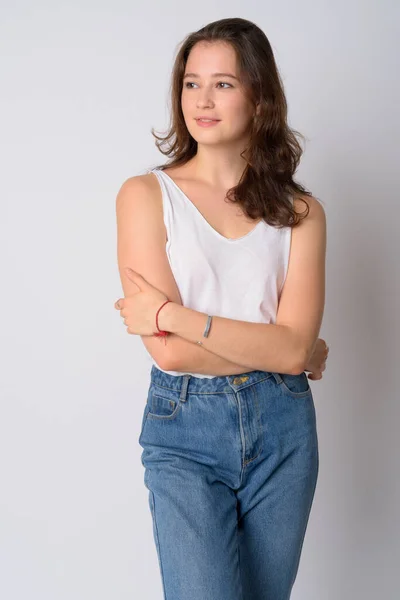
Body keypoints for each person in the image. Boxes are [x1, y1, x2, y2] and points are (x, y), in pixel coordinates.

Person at [115, 17, 328, 600]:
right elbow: (172, 353)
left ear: (259, 96)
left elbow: (285, 349)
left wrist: (176, 314)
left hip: (283, 428)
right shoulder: (145, 196)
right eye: (191, 83)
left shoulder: (300, 213)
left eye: (224, 84)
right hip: (183, 426)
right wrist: (287, 348)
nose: (201, 100)